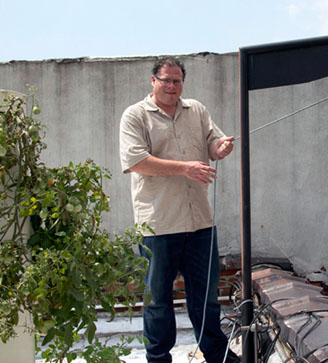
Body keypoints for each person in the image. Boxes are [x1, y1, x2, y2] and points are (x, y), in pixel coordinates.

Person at [119, 56, 239, 363]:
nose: (172, 86)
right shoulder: (135, 116)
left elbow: (213, 143)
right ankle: (158, 359)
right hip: (159, 224)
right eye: (166, 80)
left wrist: (221, 148)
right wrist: (184, 167)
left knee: (206, 298)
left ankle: (217, 355)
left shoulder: (196, 109)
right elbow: (136, 161)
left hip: (199, 220)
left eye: (177, 81)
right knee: (158, 300)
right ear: (153, 81)